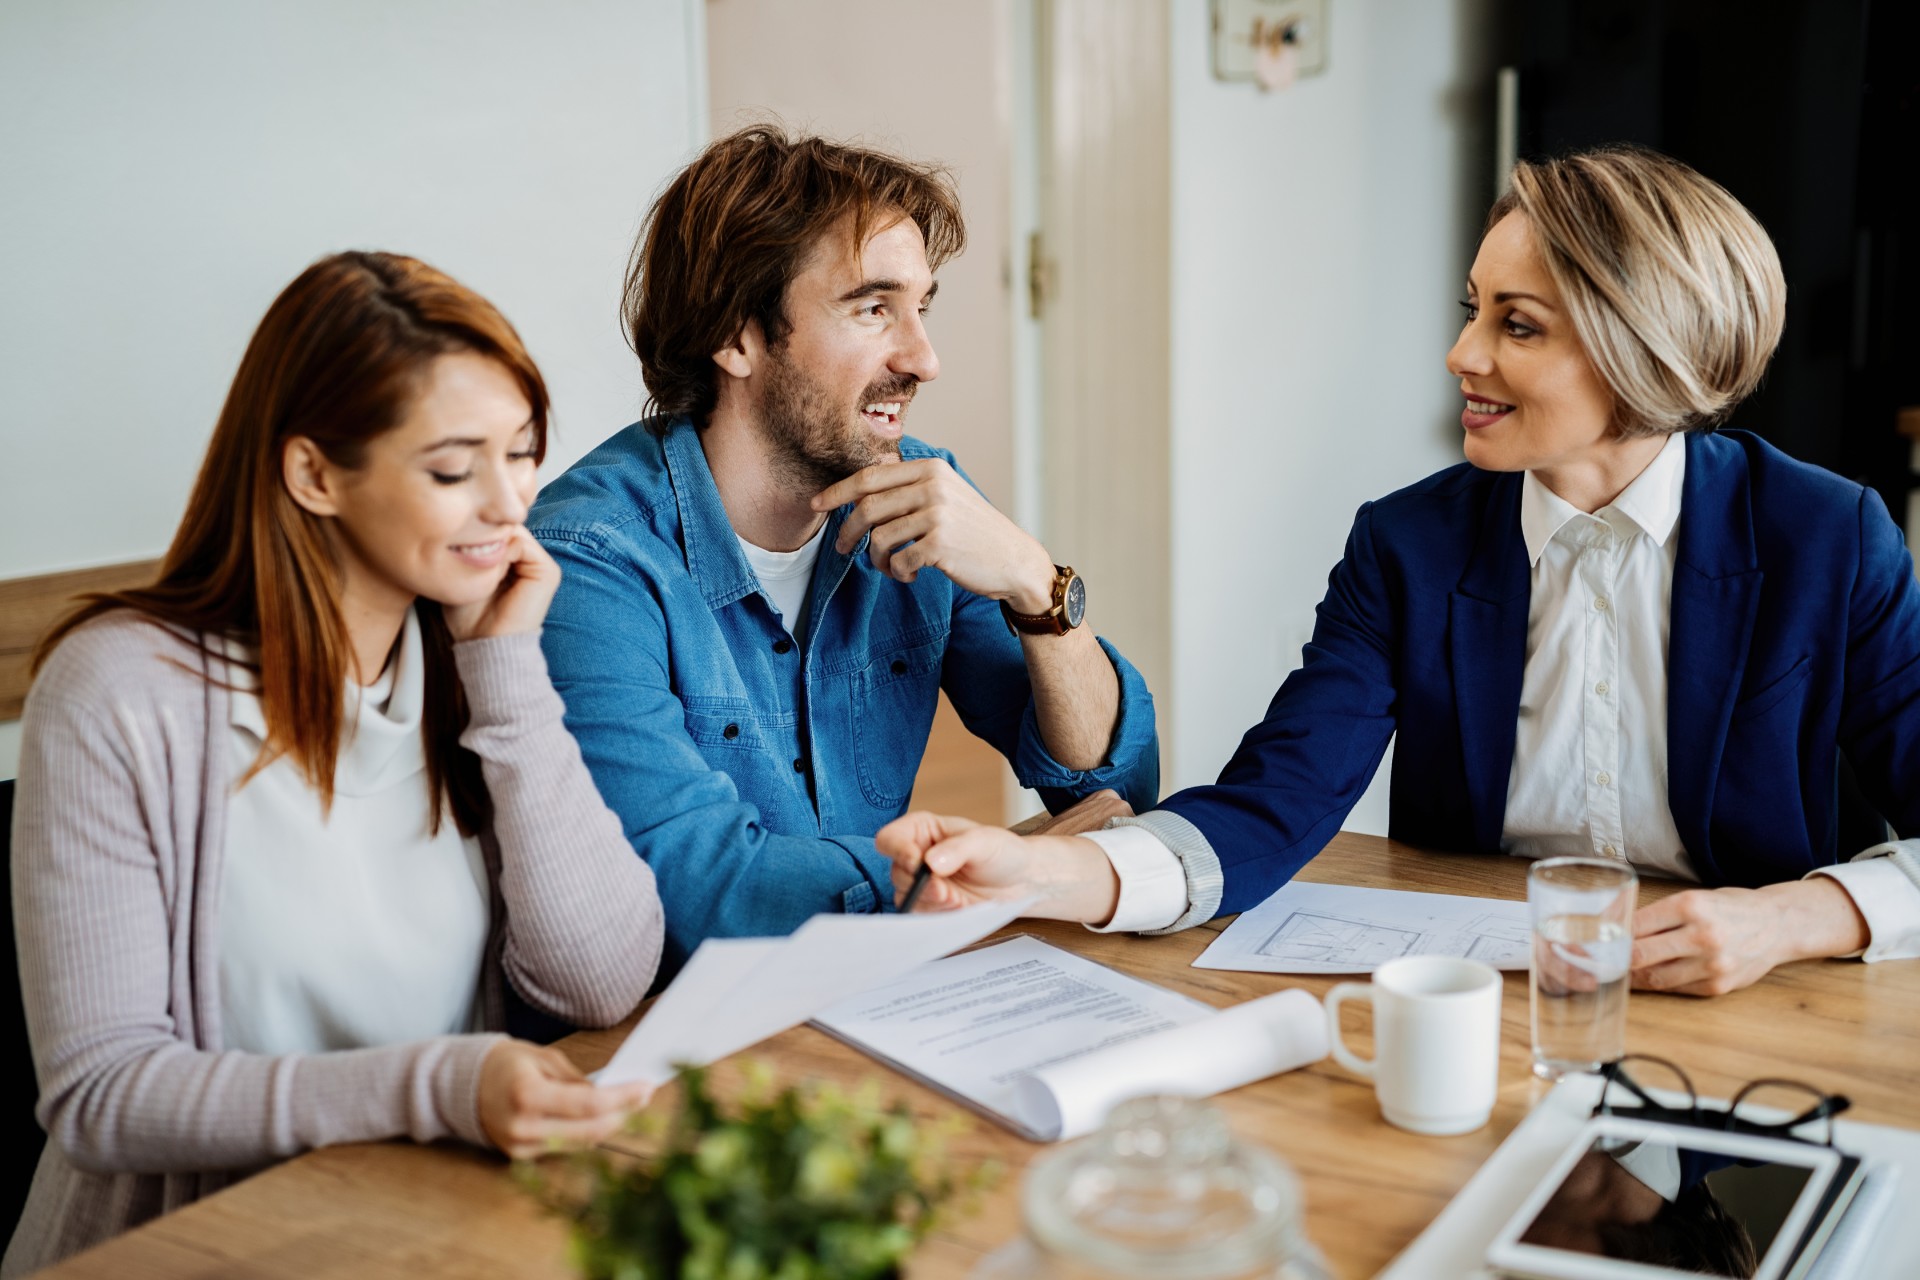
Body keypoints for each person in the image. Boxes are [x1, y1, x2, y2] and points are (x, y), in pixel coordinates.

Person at [878, 146, 1920, 993]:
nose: (1464, 353)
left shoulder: (1827, 537)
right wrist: (1051, 868)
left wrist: (1795, 916)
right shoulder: (1408, 543)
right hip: (1491, 1001)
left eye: (1516, 324)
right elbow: (1275, 796)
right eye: (1472, 309)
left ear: (1643, 349)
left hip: (1770, 1002)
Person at [5, 252, 664, 1274]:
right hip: (200, 1248)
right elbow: (102, 1092)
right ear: (314, 473)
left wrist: (508, 673)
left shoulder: (470, 658)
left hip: (428, 1228)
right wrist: (437, 1086)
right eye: (453, 468)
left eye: (523, 453)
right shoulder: (120, 692)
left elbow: (600, 977)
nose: (507, 503)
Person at [528, 125, 1158, 979]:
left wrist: (1032, 580)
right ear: (737, 337)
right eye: (872, 308)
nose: (924, 360)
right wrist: (989, 876)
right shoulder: (589, 557)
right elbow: (687, 887)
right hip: (669, 1056)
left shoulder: (924, 498)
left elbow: (1105, 794)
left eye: (923, 307)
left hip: (866, 1002)